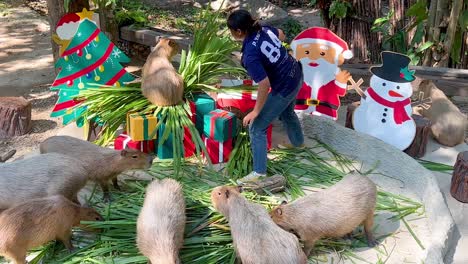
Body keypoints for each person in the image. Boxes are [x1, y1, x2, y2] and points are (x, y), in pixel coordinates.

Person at [227, 9, 304, 184]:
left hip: (284, 86)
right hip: (296, 73)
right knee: (287, 113)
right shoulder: (263, 29)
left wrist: (255, 111)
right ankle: (298, 144)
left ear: (238, 32)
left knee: (256, 127)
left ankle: (259, 172)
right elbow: (282, 35)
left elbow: (264, 83)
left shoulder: (249, 56)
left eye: (231, 30)